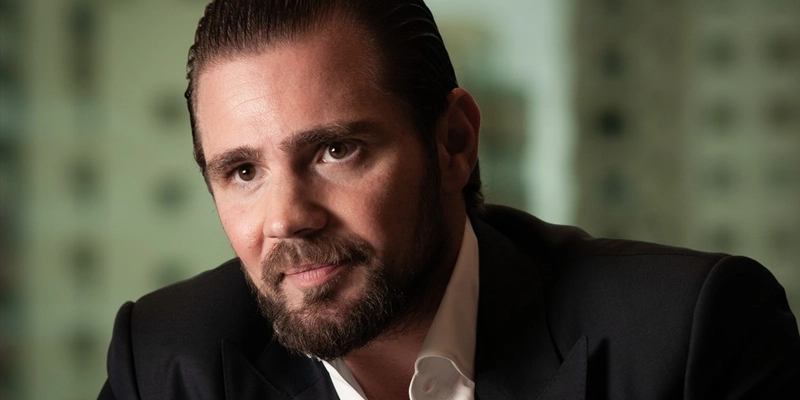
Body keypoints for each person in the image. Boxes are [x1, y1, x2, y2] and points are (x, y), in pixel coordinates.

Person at [98, 0, 800, 399]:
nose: (285, 218)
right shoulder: (166, 363)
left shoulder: (690, 338)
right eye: (243, 171)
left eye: (336, 150)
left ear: (453, 143)